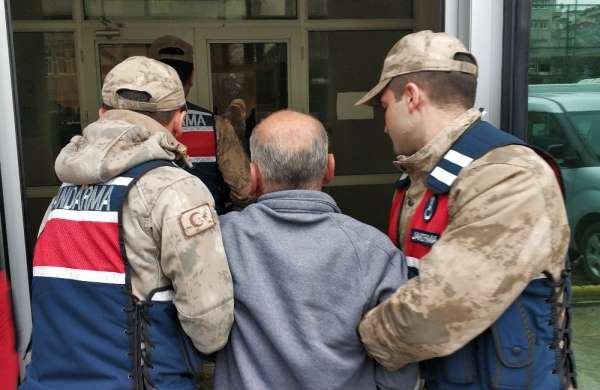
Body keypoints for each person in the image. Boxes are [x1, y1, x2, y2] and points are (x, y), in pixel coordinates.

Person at [354, 30, 577, 389]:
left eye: (384, 108)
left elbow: (439, 310)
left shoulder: (507, 176)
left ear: (411, 97)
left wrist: (351, 342)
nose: (384, 125)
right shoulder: (425, 179)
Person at [21, 56, 234, 389]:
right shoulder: (175, 190)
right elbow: (210, 327)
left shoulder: (62, 197)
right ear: (179, 120)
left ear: (102, 114)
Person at [213, 110, 419, 390]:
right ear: (329, 169)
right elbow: (400, 356)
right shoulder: (375, 250)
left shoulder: (220, 240)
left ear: (253, 175)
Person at [150, 35, 252, 214]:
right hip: (205, 229)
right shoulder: (215, 126)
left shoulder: (124, 124)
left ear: (148, 78)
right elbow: (244, 190)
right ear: (191, 76)